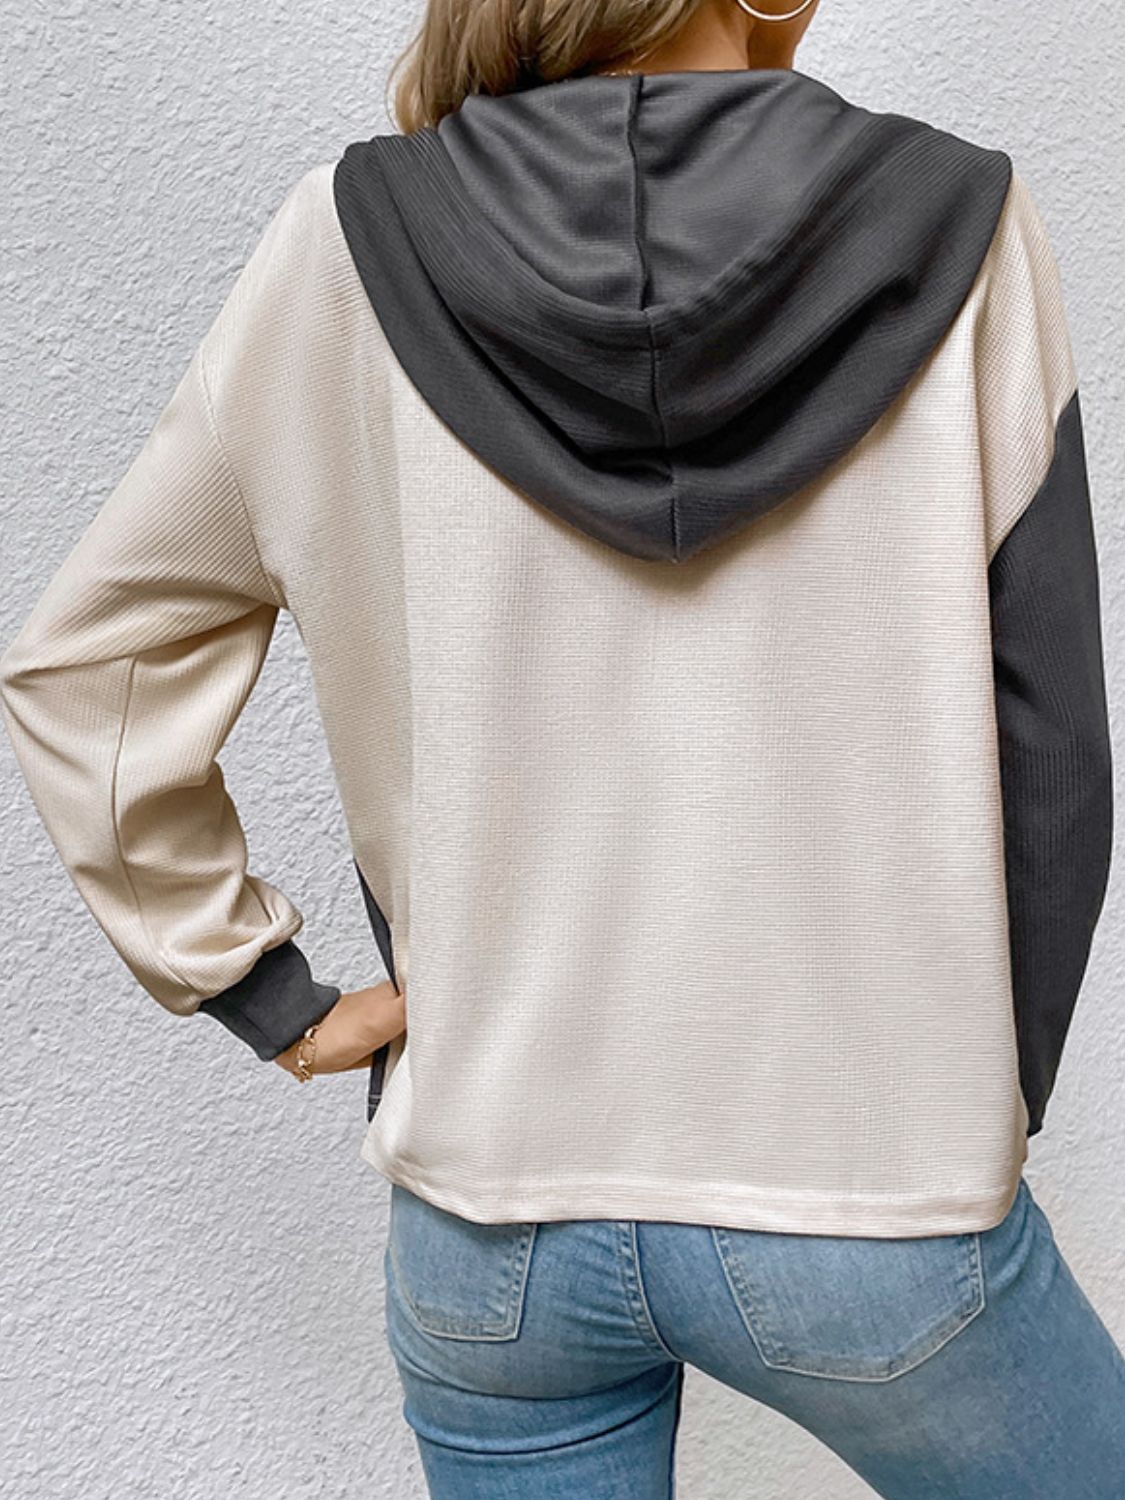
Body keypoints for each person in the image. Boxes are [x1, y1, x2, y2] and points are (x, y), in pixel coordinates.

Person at [2, 0, 1123, 1493]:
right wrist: (989, 1095)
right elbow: (1053, 748)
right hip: (872, 1191)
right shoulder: (961, 221)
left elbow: (94, 664)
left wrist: (264, 994)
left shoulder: (347, 241)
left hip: (493, 1221)